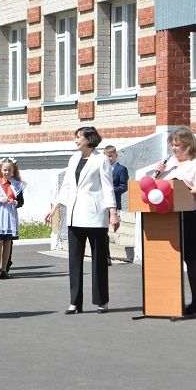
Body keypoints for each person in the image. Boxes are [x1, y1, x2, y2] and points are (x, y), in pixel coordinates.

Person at [45, 126, 119, 314]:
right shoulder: (74, 159)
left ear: (89, 139)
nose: (75, 140)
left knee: (99, 261)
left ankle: (102, 301)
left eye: (78, 137)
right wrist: (54, 208)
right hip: (75, 215)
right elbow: (67, 186)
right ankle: (75, 302)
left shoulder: (101, 160)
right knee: (74, 261)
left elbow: (108, 187)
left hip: (95, 216)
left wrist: (113, 212)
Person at [150, 127, 196, 316]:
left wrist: (183, 191)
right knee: (168, 257)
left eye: (177, 145)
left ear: (188, 145)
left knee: (192, 257)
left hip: (193, 214)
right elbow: (152, 190)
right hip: (168, 215)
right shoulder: (168, 165)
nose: (174, 149)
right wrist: (157, 174)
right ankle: (168, 302)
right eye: (172, 145)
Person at [0, 158, 25, 279]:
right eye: (5, 170)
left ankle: (4, 269)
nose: (7, 172)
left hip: (10, 214)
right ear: (0, 169)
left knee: (8, 241)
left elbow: (21, 202)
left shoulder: (17, 184)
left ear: (13, 170)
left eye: (9, 170)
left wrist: (15, 202)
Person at [104, 145, 128, 266]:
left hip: (112, 203)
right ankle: (103, 256)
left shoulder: (121, 169)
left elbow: (124, 186)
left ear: (116, 156)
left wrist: (109, 190)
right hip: (100, 203)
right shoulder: (101, 168)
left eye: (111, 156)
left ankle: (107, 257)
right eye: (106, 156)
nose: (108, 159)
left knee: (105, 231)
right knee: (102, 231)